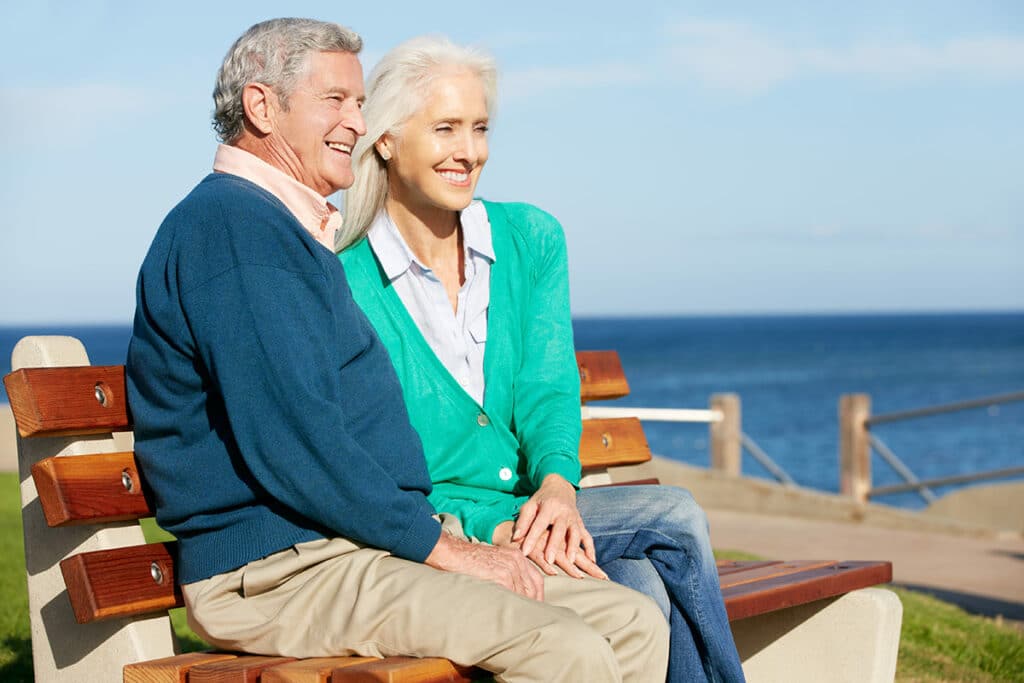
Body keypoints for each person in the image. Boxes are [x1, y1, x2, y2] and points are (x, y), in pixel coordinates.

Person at [126, 18, 669, 683]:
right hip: (277, 573)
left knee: (631, 621)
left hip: (351, 547)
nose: (356, 123)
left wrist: (431, 535)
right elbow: (297, 446)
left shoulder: (284, 230)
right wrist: (443, 545)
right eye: (336, 100)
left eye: (359, 103)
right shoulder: (235, 231)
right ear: (262, 107)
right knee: (568, 648)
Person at [338, 36, 746, 682]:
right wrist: (480, 528)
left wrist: (558, 483)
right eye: (445, 128)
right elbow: (384, 459)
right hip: (455, 533)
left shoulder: (531, 238)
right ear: (385, 139)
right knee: (672, 522)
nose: (469, 151)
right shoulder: (347, 281)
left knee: (641, 579)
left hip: (539, 508)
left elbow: (546, 388)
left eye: (479, 128)